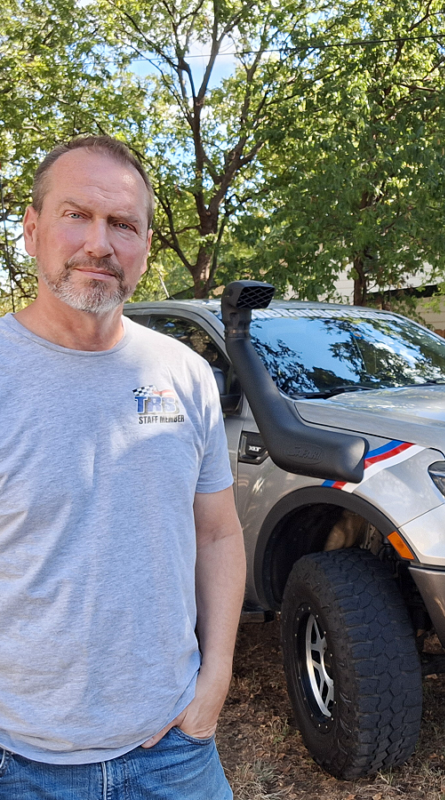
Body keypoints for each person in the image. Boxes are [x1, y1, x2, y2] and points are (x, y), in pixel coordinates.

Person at [0, 136, 245, 798]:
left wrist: (215, 677)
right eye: (76, 214)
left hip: (174, 750)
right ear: (31, 229)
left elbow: (218, 533)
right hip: (22, 762)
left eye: (123, 225)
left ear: (143, 249)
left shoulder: (185, 373)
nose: (98, 243)